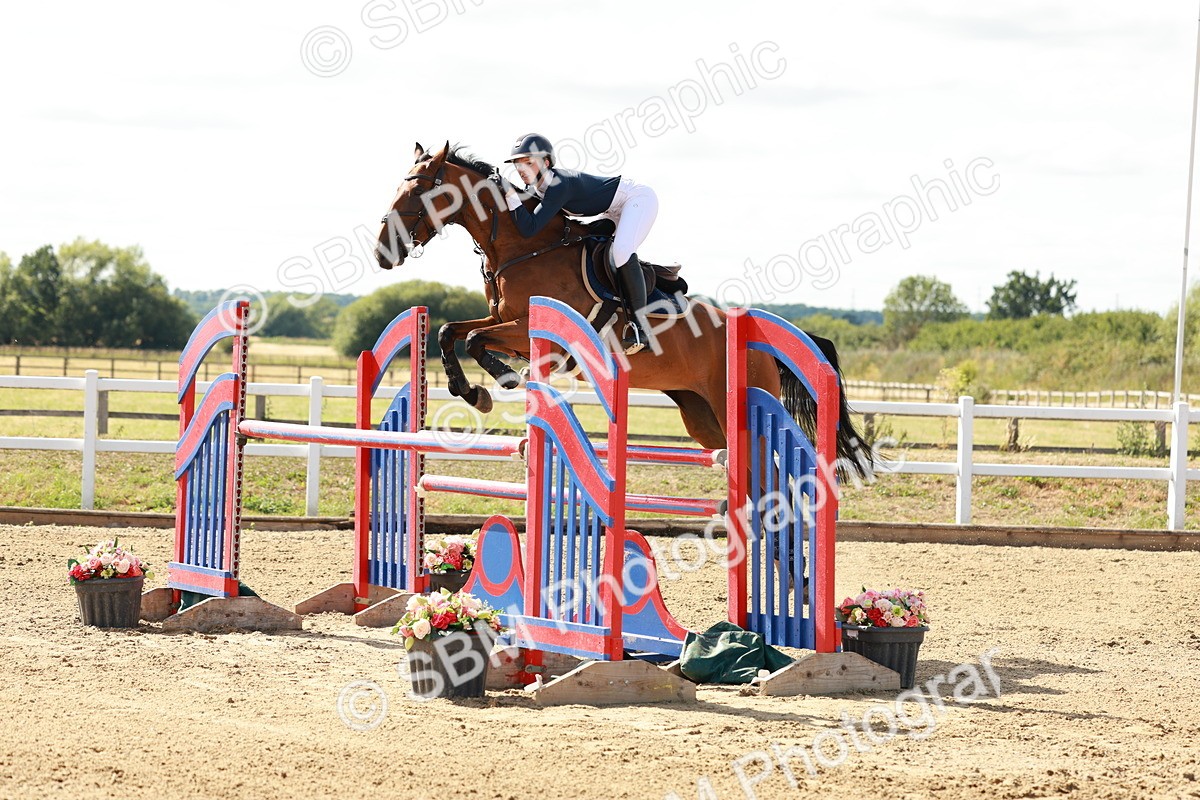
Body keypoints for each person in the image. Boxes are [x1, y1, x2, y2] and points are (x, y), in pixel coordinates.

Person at [501, 133, 659, 354]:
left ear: (546, 163)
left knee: (621, 251)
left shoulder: (558, 184)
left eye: (528, 163)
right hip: (611, 211)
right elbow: (525, 222)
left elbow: (529, 228)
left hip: (637, 200)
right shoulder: (536, 188)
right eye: (518, 164)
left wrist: (508, 193)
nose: (521, 169)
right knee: (587, 244)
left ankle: (642, 330)